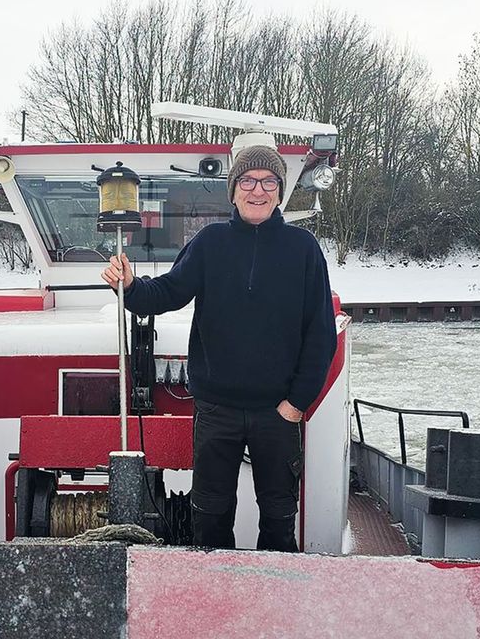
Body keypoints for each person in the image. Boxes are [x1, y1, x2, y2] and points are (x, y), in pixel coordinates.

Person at [101, 144, 338, 552]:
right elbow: (168, 292)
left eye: (268, 182)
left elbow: (320, 334)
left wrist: (296, 404)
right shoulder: (210, 243)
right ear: (233, 190)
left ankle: (275, 587)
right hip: (216, 411)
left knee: (279, 519)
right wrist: (131, 286)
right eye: (248, 181)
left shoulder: (304, 249)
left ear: (280, 191)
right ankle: (213, 589)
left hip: (278, 413)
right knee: (209, 518)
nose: (257, 190)